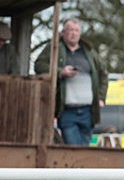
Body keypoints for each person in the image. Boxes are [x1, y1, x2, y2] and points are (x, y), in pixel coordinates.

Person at [34, 18, 107, 146]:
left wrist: (101, 97)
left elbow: (103, 74)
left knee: (84, 150)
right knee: (73, 148)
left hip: (88, 111)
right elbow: (39, 65)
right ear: (63, 32)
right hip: (67, 110)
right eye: (70, 30)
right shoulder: (55, 48)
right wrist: (60, 71)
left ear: (80, 33)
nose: (74, 33)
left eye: (76, 30)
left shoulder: (89, 52)